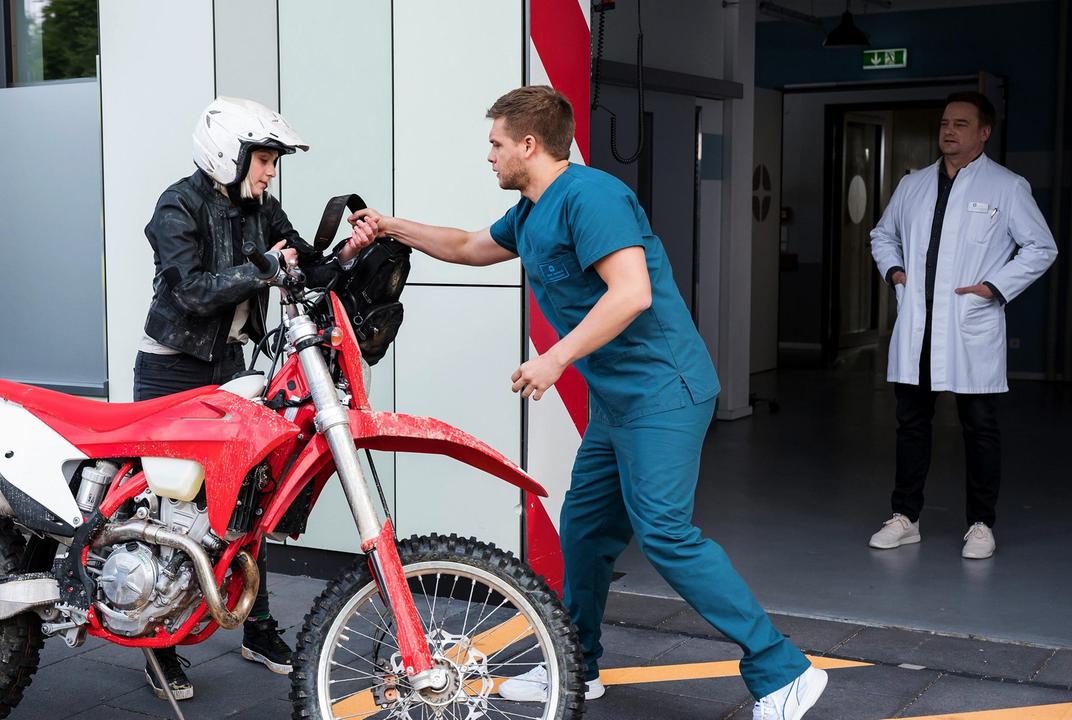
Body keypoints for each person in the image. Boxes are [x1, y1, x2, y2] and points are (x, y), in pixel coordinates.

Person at [349, 85, 827, 720]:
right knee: (584, 530)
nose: (487, 155)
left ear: (529, 143)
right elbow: (468, 246)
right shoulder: (530, 210)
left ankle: (782, 670)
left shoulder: (591, 196)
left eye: (495, 143)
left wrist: (554, 358)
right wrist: (389, 225)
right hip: (617, 401)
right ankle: (578, 667)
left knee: (665, 532)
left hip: (664, 391)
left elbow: (631, 293)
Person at [136, 96, 378, 701]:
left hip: (233, 367)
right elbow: (190, 291)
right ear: (228, 154)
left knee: (249, 497)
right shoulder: (177, 205)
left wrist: (348, 252)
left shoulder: (260, 208)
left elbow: (306, 267)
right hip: (172, 372)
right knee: (168, 508)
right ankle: (159, 646)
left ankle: (257, 627)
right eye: (264, 159)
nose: (270, 171)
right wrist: (267, 269)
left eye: (271, 161)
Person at [868, 91, 1057, 560]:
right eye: (944, 123)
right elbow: (882, 234)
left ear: (983, 133)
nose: (949, 131)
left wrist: (993, 287)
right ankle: (905, 517)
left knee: (980, 427)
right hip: (919, 323)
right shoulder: (912, 184)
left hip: (968, 325)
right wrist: (895, 272)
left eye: (961, 124)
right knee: (911, 423)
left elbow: (1041, 247)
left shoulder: (1006, 187)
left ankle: (980, 524)